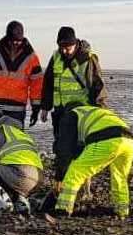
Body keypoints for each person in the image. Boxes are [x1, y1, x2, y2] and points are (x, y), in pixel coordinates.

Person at [38, 27, 107, 178]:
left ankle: (78, 180)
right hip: (60, 110)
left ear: (75, 44)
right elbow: (48, 82)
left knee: (79, 147)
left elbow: (98, 85)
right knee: (60, 146)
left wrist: (101, 110)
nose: (64, 51)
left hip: (81, 112)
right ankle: (62, 177)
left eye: (67, 48)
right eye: (61, 47)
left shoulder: (88, 59)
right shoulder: (56, 57)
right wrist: (45, 107)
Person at [53, 105, 133, 218]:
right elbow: (80, 150)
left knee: (75, 172)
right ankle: (122, 211)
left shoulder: (70, 115)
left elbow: (65, 150)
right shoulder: (94, 112)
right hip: (130, 141)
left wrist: (59, 177)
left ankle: (63, 210)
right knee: (120, 177)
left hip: (107, 139)